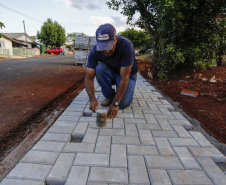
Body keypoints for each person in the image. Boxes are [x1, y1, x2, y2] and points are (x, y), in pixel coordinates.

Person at [85, 23, 137, 119]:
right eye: (103, 48)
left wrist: (115, 103)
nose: (106, 51)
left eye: (109, 46)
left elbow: (124, 78)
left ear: (116, 39)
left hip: (127, 76)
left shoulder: (126, 45)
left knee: (122, 104)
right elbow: (88, 77)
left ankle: (126, 93)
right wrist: (92, 99)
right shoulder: (94, 51)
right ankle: (109, 96)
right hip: (110, 72)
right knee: (99, 68)